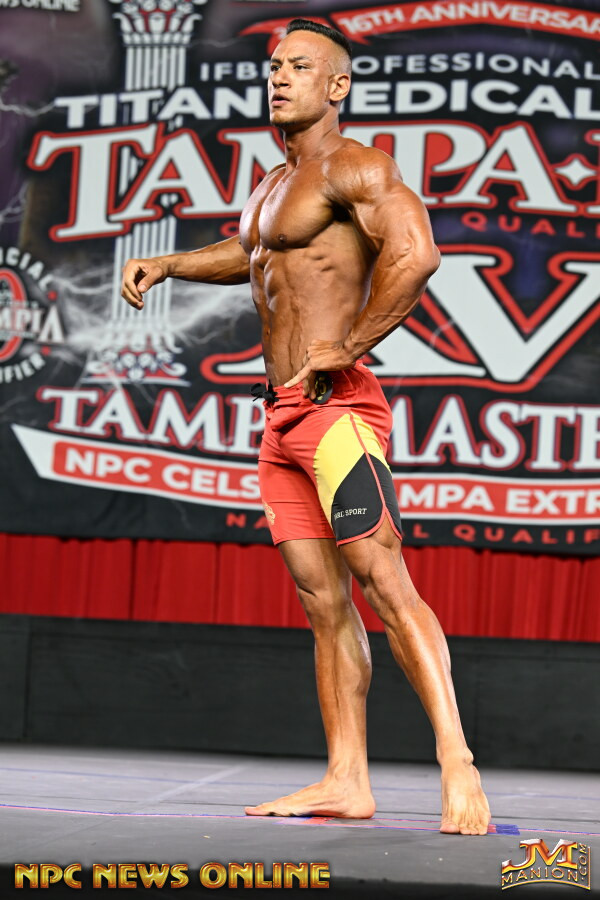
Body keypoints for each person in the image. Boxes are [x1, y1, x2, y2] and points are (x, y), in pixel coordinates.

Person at [121, 18, 491, 836]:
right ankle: (346, 779)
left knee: (383, 582)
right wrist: (170, 263)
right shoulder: (272, 185)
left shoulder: (358, 166)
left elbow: (417, 253)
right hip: (280, 418)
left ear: (338, 85)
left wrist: (351, 343)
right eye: (275, 66)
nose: (280, 77)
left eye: (300, 66)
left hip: (337, 408)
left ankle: (457, 761)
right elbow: (252, 252)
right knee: (323, 603)